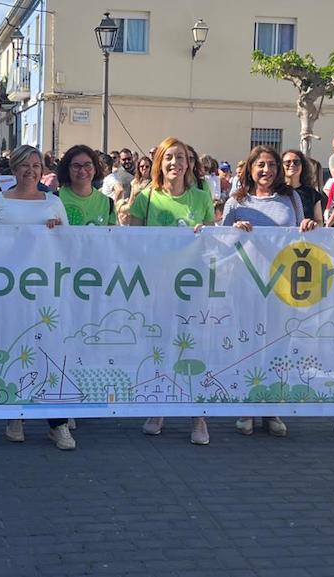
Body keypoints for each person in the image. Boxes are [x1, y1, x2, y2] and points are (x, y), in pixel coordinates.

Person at [0, 145, 73, 450]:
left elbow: (69, 246)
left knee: (49, 353)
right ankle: (14, 414)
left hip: (45, 291)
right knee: (13, 350)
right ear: (14, 169)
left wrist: (55, 232)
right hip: (7, 291)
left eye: (36, 165)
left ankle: (56, 423)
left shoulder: (54, 202)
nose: (30, 171)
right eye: (24, 165)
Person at [223, 146, 316, 437]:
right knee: (249, 343)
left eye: (272, 166)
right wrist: (234, 229)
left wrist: (307, 226)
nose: (267, 171)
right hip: (246, 283)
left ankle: (271, 406)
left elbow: (302, 232)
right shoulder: (235, 201)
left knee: (278, 343)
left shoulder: (291, 198)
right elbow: (221, 242)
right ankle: (247, 407)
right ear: (250, 168)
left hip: (282, 282)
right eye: (260, 165)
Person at [129, 137, 214, 444]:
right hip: (157, 288)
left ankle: (198, 416)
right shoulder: (146, 197)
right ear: (159, 164)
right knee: (160, 347)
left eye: (181, 157)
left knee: (194, 348)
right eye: (169, 158)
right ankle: (158, 407)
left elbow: (211, 243)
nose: (175, 163)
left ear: (189, 163)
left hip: (192, 288)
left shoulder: (202, 198)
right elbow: (132, 243)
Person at [57, 145, 118, 226]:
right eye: (76, 166)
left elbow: (111, 237)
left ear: (95, 169)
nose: (82, 171)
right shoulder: (54, 199)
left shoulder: (107, 203)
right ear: (67, 169)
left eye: (87, 165)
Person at [282, 149, 325, 225]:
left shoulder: (312, 193)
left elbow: (319, 221)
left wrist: (313, 225)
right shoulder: (275, 191)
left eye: (296, 162)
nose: (292, 165)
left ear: (302, 166)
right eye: (287, 162)